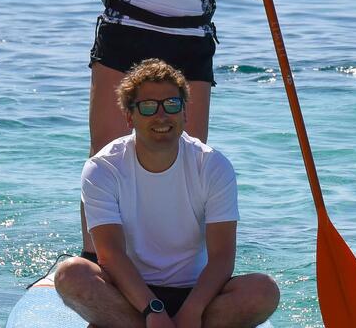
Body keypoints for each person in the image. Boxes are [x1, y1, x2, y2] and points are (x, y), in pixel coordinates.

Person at [86, 0, 273, 253]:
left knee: (188, 159)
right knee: (105, 154)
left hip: (189, 41)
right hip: (128, 27)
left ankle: (177, 261)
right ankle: (96, 258)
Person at [55, 59, 280, 328]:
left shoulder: (212, 165)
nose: (161, 116)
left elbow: (222, 257)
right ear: (129, 116)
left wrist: (193, 311)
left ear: (185, 113)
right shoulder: (103, 168)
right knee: (71, 274)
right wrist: (153, 311)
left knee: (263, 291)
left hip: (196, 294)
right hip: (130, 294)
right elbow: (110, 255)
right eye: (148, 106)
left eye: (171, 104)